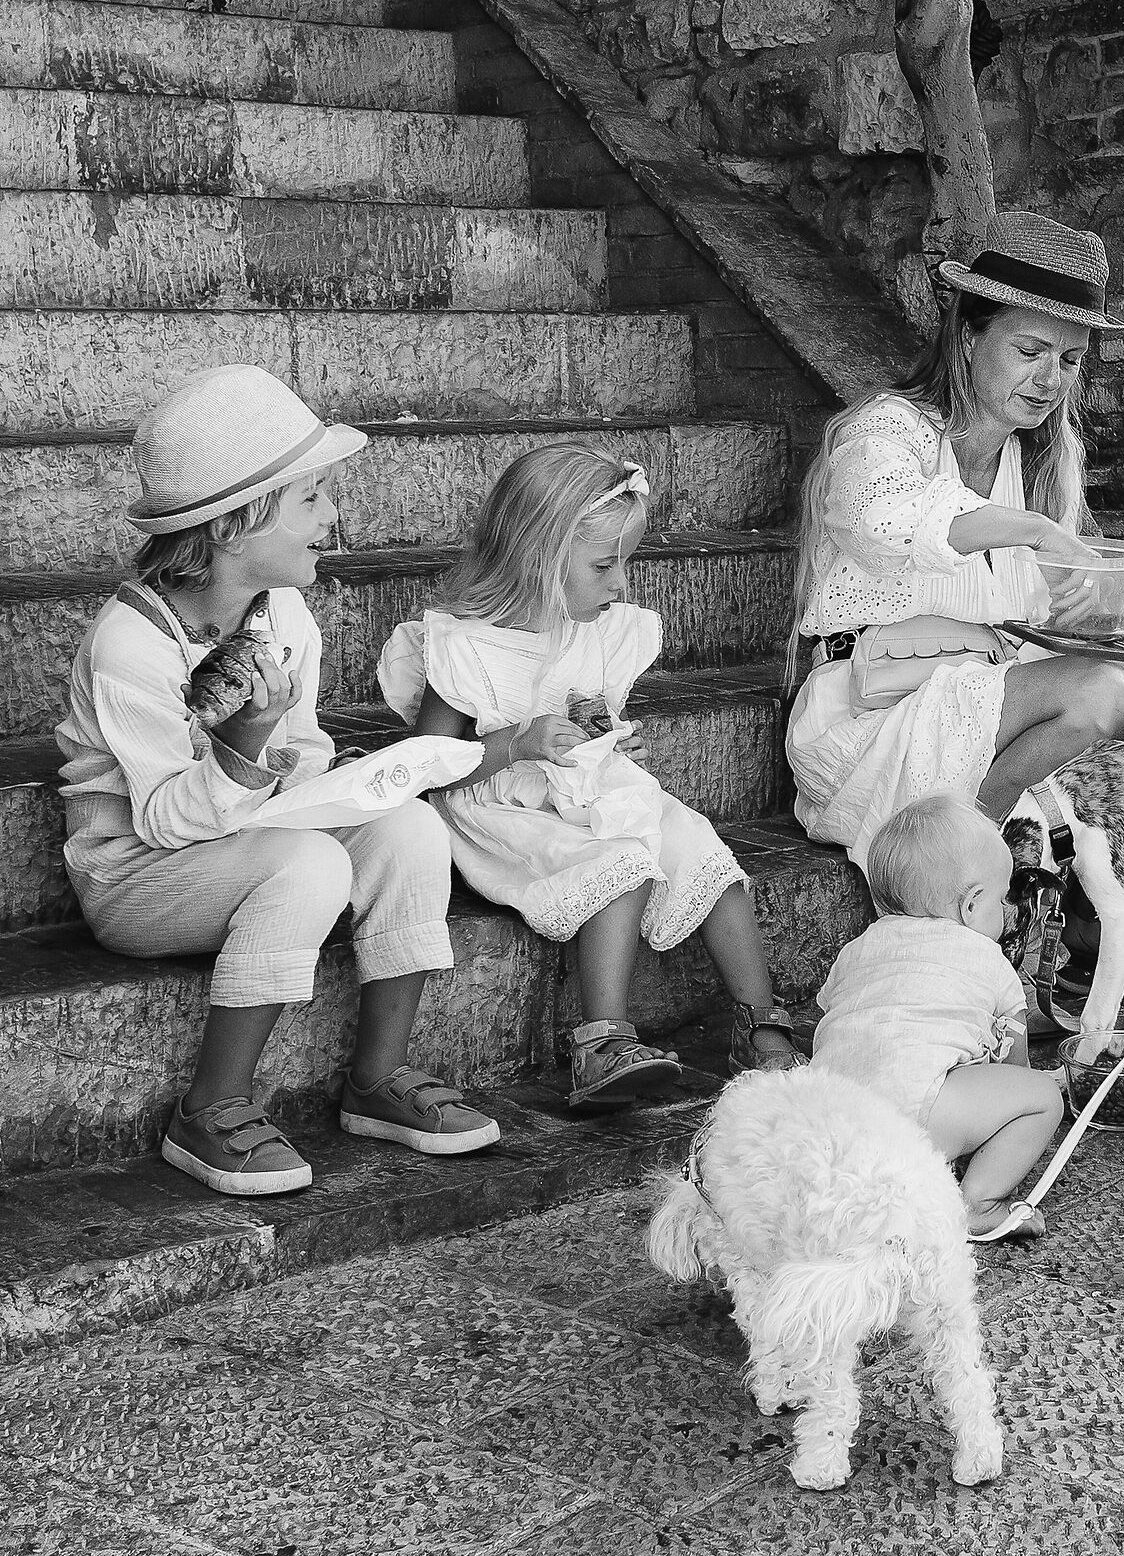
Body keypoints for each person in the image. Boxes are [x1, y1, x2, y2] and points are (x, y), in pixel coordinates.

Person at [57, 366, 498, 1197]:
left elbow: (303, 751)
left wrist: (335, 781)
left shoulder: (283, 611)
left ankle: (377, 1077)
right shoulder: (131, 645)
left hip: (246, 832)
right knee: (311, 866)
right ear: (233, 522)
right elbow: (158, 822)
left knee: (410, 828)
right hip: (139, 876)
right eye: (312, 498)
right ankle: (211, 1105)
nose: (333, 517)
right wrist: (246, 743)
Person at [785, 209, 1124, 987]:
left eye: (1067, 359)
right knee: (1103, 695)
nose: (1050, 379)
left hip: (991, 682)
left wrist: (1088, 603)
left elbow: (1037, 624)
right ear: (967, 337)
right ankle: (987, 886)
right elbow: (882, 512)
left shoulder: (1040, 458)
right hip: (875, 710)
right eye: (1028, 351)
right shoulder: (886, 432)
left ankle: (1114, 924)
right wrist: (1025, 529)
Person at [381, 444, 806, 1103]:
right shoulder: (465, 648)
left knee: (700, 847)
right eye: (605, 565)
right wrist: (516, 744)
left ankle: (759, 1025)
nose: (619, 585)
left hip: (582, 790)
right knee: (621, 866)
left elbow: (593, 711)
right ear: (538, 557)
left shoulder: (598, 630)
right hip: (501, 810)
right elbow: (424, 775)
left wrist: (606, 744)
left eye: (623, 563)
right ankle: (601, 1043)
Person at [811, 792, 1062, 1242]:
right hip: (917, 1115)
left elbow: (834, 1020)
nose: (1008, 912)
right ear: (971, 906)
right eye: (1003, 899)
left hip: (831, 1123)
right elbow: (1014, 1064)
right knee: (1042, 1096)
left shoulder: (857, 950)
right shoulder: (989, 958)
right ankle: (977, 1204)